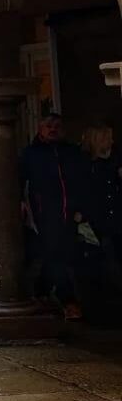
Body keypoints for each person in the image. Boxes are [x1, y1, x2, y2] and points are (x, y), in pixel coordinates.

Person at [20, 113, 86, 319]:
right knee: (54, 253)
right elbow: (19, 180)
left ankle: (41, 291)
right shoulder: (31, 154)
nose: (53, 129)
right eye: (48, 126)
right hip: (44, 213)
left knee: (59, 254)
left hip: (70, 213)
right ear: (40, 128)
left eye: (57, 125)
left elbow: (81, 181)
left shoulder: (71, 153)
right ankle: (69, 300)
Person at [80, 125, 122, 294]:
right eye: (107, 138)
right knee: (108, 258)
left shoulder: (116, 159)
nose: (111, 141)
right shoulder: (87, 164)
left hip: (116, 215)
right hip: (99, 219)